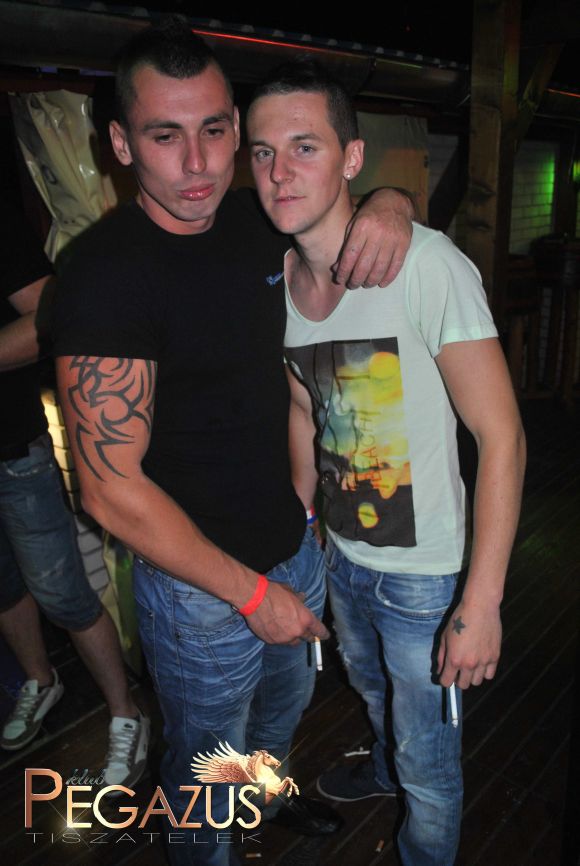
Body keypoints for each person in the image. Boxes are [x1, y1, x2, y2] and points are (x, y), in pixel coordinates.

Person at [51, 19, 414, 866]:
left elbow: (349, 197)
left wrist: (392, 203)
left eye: (216, 131)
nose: (199, 163)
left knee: (279, 721)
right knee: (204, 769)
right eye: (165, 136)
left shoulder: (256, 220)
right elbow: (107, 488)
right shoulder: (105, 276)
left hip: (292, 546)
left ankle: (265, 801)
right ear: (120, 144)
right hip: (202, 592)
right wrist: (253, 595)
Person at [246, 59, 526, 865]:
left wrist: (481, 603)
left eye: (304, 147)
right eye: (263, 152)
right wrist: (305, 521)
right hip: (344, 558)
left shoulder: (426, 265)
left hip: (425, 577)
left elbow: (503, 438)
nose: (279, 171)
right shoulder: (278, 283)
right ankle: (383, 765)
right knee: (373, 695)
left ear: (352, 159)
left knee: (430, 765)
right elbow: (307, 408)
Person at [0, 201, 149, 790]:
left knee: (63, 593)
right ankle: (41, 681)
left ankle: (125, 713)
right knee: (3, 587)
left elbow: (48, 315)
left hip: (12, 449)